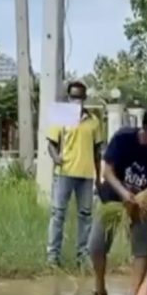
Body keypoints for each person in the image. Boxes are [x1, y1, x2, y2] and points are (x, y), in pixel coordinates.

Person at [90, 108, 147, 295]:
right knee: (96, 245)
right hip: (112, 199)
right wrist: (124, 194)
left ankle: (135, 293)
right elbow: (108, 171)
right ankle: (99, 286)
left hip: (141, 205)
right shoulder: (124, 138)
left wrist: (143, 198)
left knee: (141, 248)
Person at [45, 80, 104, 267]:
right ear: (68, 97)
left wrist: (98, 176)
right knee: (58, 214)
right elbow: (51, 144)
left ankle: (82, 256)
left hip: (86, 175)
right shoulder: (61, 117)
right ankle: (53, 256)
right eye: (72, 97)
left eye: (79, 97)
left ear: (84, 98)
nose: (76, 100)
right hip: (65, 172)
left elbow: (97, 151)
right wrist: (56, 158)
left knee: (86, 215)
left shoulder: (94, 121)